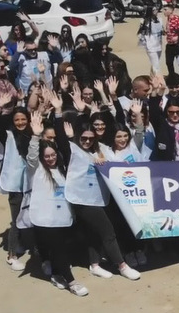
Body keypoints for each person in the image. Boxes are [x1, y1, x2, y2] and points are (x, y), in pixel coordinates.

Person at [63, 120, 142, 281]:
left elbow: (111, 161)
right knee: (108, 231)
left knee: (94, 233)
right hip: (81, 199)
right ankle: (122, 265)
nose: (87, 141)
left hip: (96, 198)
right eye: (84, 138)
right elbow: (65, 145)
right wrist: (60, 118)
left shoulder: (98, 151)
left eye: (91, 138)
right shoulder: (73, 149)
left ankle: (94, 265)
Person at [25, 112, 88, 297]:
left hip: (62, 216)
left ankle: (56, 273)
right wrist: (35, 136)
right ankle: (72, 282)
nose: (50, 159)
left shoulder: (60, 169)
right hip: (45, 218)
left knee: (59, 248)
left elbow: (69, 153)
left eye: (53, 155)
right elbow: (32, 157)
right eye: (46, 156)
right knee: (58, 248)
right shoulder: (36, 170)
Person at [0, 107, 33, 271]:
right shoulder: (8, 135)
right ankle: (12, 255)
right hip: (15, 186)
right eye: (17, 120)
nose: (20, 122)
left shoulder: (33, 134)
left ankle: (34, 248)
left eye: (23, 119)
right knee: (17, 219)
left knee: (34, 218)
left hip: (32, 184)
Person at [138, 7, 164, 75]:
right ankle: (158, 79)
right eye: (154, 10)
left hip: (159, 46)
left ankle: (152, 78)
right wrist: (145, 43)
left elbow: (162, 31)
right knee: (156, 66)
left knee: (155, 64)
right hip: (151, 47)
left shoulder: (160, 20)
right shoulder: (144, 21)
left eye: (156, 9)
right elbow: (141, 34)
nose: (156, 11)